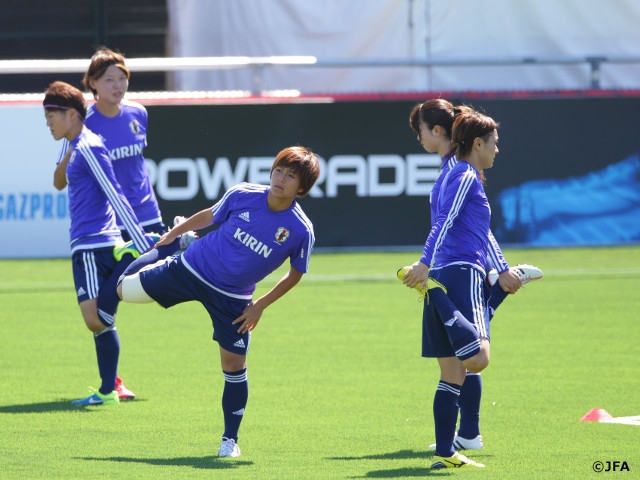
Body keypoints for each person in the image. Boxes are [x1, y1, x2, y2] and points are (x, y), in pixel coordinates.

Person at [115, 146, 320, 457]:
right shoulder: (243, 193)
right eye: (279, 170)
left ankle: (230, 441)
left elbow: (296, 273)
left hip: (233, 297)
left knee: (234, 365)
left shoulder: (301, 229)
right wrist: (173, 234)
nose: (281, 178)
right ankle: (169, 248)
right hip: (191, 267)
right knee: (122, 291)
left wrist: (260, 305)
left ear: (302, 188)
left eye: (290, 176)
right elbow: (210, 215)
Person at [53, 47, 195, 399]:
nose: (118, 85)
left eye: (123, 79)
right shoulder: (84, 124)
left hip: (145, 214)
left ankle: (175, 247)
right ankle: (112, 384)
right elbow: (59, 181)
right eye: (109, 80)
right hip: (110, 225)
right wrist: (72, 149)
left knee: (107, 305)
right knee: (104, 309)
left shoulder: (138, 113)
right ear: (92, 84)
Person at [401, 99, 543, 453]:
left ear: (438, 131)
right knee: (469, 361)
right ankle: (457, 443)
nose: (498, 149)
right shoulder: (460, 172)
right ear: (477, 143)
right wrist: (427, 263)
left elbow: (474, 228)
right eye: (494, 142)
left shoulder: (456, 171)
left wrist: (500, 267)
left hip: (453, 270)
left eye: (421, 131)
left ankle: (459, 441)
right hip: (455, 270)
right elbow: (450, 222)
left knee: (461, 365)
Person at [45, 80, 156, 406]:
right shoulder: (78, 145)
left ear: (71, 115)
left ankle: (134, 259)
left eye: (51, 116)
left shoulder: (88, 146)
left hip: (94, 244)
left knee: (95, 320)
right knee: (100, 322)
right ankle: (108, 391)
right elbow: (59, 182)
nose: (48, 124)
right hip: (88, 243)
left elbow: (115, 193)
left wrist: (140, 242)